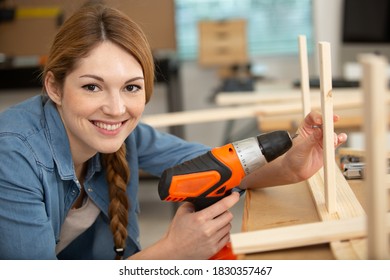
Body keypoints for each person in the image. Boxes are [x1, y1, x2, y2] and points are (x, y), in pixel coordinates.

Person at [0, 3, 347, 260]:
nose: (116, 108)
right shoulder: (12, 155)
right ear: (55, 87)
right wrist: (172, 252)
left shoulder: (126, 137)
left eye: (131, 88)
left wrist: (291, 164)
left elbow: (216, 167)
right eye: (93, 87)